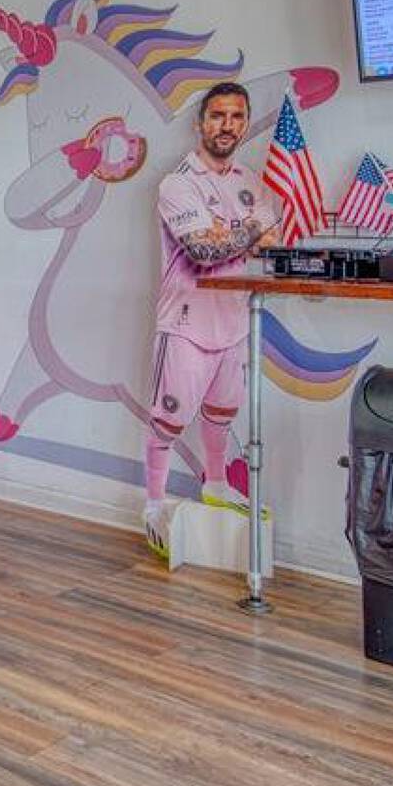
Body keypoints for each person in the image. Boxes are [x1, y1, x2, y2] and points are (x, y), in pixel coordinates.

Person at [144, 80, 277, 558]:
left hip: (234, 319)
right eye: (218, 115)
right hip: (185, 321)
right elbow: (202, 251)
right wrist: (249, 231)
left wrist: (234, 234)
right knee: (169, 419)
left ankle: (216, 483)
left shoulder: (249, 181)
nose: (227, 125)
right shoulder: (178, 183)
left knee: (223, 411)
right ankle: (153, 505)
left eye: (237, 116)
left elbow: (269, 243)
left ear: (245, 123)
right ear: (201, 123)